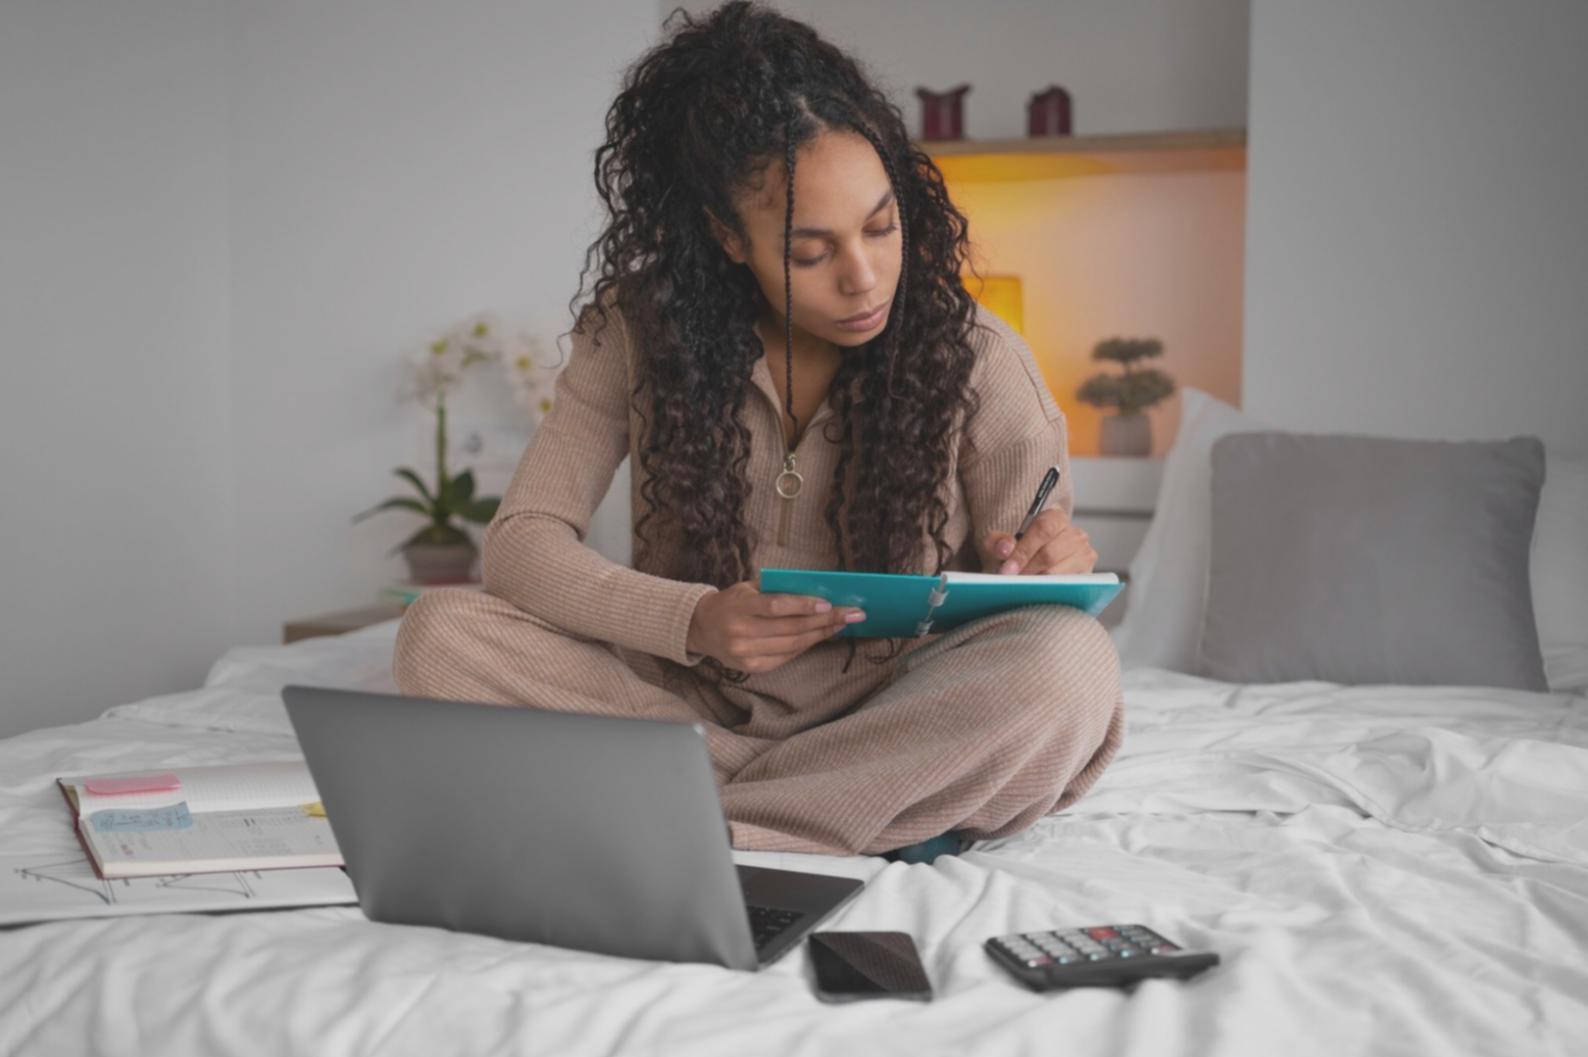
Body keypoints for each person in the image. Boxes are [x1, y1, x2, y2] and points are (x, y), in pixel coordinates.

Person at [393, 0, 1123, 864]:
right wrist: (695, 619)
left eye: (882, 228)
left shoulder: (980, 356)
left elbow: (1024, 592)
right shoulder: (634, 333)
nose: (864, 277)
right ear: (726, 238)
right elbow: (520, 545)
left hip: (890, 712)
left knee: (1069, 665)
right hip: (688, 707)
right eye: (810, 253)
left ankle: (713, 820)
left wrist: (1047, 561)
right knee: (437, 637)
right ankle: (846, 813)